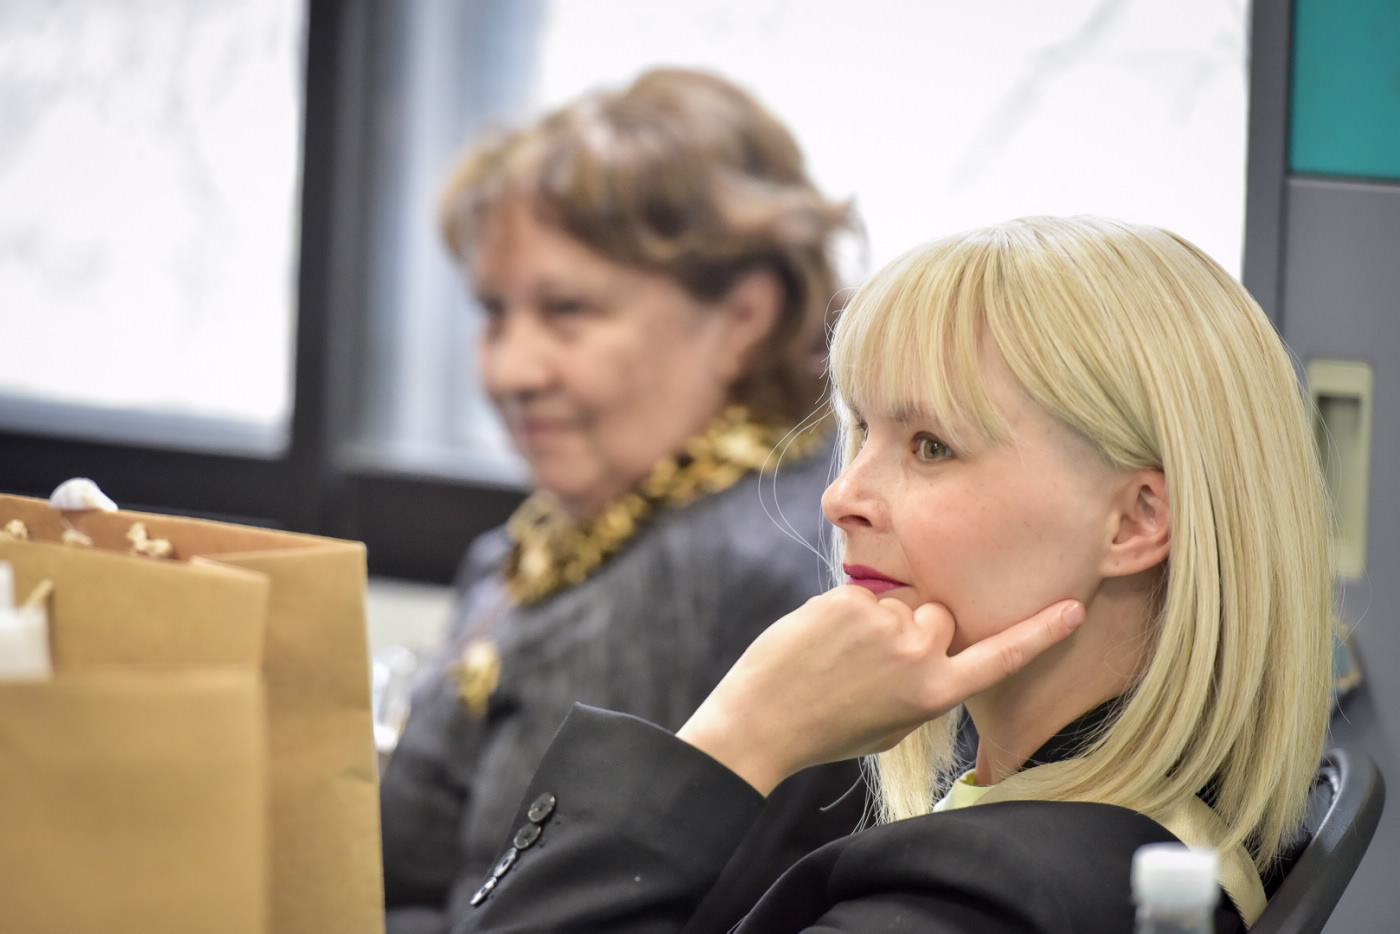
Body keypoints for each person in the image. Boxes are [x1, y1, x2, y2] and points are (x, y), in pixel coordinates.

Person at [456, 215, 1335, 933]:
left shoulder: (986, 899)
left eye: (931, 446)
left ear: (1136, 521)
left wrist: (740, 737)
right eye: (861, 432)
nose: (841, 497)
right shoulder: (1136, 835)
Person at [379, 68, 865, 933]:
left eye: (568, 310)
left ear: (745, 316)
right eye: (493, 312)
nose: (509, 369)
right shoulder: (586, 528)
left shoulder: (708, 569)